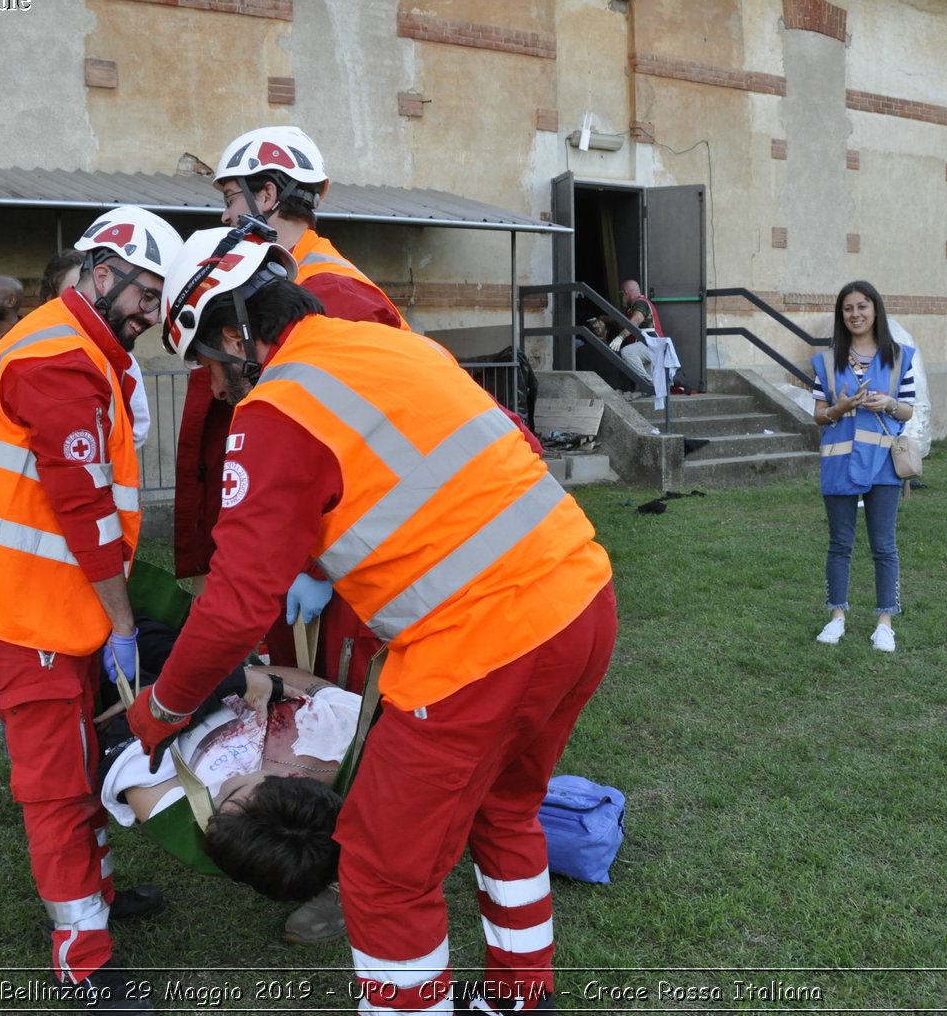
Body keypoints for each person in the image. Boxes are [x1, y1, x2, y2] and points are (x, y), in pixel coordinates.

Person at [131, 227, 618, 1014]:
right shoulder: (396, 347)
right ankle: (523, 1000)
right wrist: (328, 563)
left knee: (383, 870)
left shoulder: (275, 405)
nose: (215, 390)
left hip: (476, 648)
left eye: (210, 369)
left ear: (235, 335)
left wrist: (162, 708)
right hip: (581, 599)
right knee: (507, 811)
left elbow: (233, 606)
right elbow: (501, 453)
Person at [0, 205, 184, 1011]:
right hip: (20, 608)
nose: (152, 313)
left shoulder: (71, 346)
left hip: (41, 600)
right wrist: (125, 623)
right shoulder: (61, 357)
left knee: (80, 759)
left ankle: (94, 898)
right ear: (101, 273)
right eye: (145, 293)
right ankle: (83, 956)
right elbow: (88, 513)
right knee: (59, 781)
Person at [181, 127, 407, 690]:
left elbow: (350, 442)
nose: (226, 218)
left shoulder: (333, 293)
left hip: (333, 548)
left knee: (334, 691)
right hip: (299, 535)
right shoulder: (283, 281)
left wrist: (314, 568)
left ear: (266, 197)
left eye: (230, 200)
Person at [100, 664, 356, 905]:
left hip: (135, 672)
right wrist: (239, 674)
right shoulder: (347, 735)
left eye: (217, 808)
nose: (219, 794)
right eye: (232, 793)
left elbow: (136, 733)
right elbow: (310, 684)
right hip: (200, 662)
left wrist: (224, 682)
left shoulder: (183, 820)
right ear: (293, 777)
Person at [810, 280, 917, 653]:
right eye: (848, 309)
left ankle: (884, 623)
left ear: (875, 310)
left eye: (862, 307)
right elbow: (819, 415)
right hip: (839, 464)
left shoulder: (899, 356)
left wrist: (887, 402)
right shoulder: (827, 360)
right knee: (840, 544)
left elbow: (907, 409)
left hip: (883, 464)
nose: (855, 314)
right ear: (842, 316)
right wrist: (840, 408)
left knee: (883, 545)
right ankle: (836, 617)